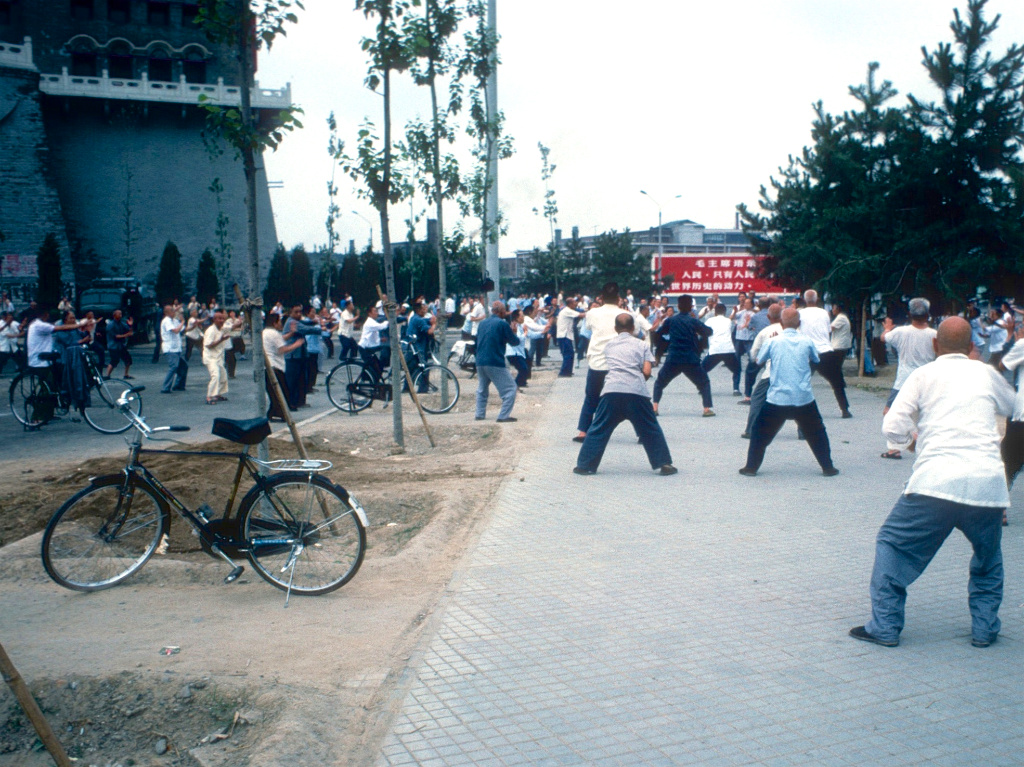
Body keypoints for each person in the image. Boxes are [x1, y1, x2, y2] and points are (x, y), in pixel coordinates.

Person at [850, 317, 1015, 648]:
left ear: (935, 345)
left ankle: (885, 626)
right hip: (986, 485)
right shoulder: (985, 373)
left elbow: (892, 425)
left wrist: (910, 438)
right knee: (988, 559)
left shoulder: (922, 374)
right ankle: (984, 629)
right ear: (973, 347)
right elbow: (1016, 407)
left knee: (893, 544)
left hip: (934, 484)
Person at [739, 308, 839, 477]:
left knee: (759, 432)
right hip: (803, 397)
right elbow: (815, 359)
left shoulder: (773, 342)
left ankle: (751, 467)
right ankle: (827, 467)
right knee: (817, 432)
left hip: (778, 398)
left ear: (781, 323)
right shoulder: (807, 341)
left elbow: (758, 360)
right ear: (799, 323)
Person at [574, 313, 676, 476]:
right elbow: (647, 371)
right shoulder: (642, 345)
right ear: (633, 328)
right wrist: (638, 380)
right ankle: (664, 464)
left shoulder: (609, 346)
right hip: (636, 392)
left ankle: (584, 465)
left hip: (612, 390)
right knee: (651, 428)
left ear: (615, 329)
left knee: (598, 427)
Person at [879, 298, 937, 459]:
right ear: (928, 315)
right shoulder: (935, 335)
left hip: (903, 380)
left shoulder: (901, 332)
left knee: (890, 412)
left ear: (910, 314)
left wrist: (887, 328)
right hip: (926, 379)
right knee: (925, 413)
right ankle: (926, 444)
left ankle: (895, 447)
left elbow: (884, 338)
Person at [574, 283, 627, 442]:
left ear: (601, 298)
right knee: (626, 400)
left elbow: (589, 328)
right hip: (618, 363)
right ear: (619, 298)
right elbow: (636, 332)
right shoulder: (625, 314)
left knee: (591, 397)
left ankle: (583, 431)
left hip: (597, 362)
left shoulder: (592, 313)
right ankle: (642, 433)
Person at [651, 295, 714, 417]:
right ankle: (707, 409)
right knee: (704, 382)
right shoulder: (693, 321)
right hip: (690, 358)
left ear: (678, 307)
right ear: (691, 307)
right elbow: (708, 332)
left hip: (673, 357)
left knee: (660, 381)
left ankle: (655, 408)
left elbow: (659, 334)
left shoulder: (671, 320)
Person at [797, 289, 850, 417]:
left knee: (801, 382)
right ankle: (844, 409)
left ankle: (800, 410)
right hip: (825, 350)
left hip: (807, 351)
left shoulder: (799, 313)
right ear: (816, 299)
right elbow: (828, 330)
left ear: (805, 300)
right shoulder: (824, 313)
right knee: (836, 381)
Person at [474, 301, 519, 423]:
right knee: (510, 388)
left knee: (482, 389)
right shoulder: (502, 323)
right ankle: (503, 416)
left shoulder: (482, 323)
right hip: (494, 361)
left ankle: (479, 414)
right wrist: (514, 331)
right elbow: (514, 342)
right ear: (501, 312)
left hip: (480, 360)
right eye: (505, 311)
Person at [262, 311, 304, 420]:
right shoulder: (274, 334)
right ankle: (279, 414)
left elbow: (280, 340)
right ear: (275, 323)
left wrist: (291, 333)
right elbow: (282, 349)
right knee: (282, 392)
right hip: (275, 367)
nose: (281, 324)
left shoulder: (265, 332)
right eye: (279, 321)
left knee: (275, 393)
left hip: (267, 367)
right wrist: (296, 345)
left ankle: (272, 413)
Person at [700, 303, 741, 394]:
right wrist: (734, 311)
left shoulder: (710, 321)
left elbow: (703, 330)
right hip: (728, 349)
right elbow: (730, 318)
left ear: (715, 311)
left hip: (715, 349)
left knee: (702, 369)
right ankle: (736, 389)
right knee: (737, 369)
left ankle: (703, 388)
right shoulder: (728, 321)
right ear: (725, 311)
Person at [202, 311, 230, 405]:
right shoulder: (210, 330)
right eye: (219, 318)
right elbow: (208, 345)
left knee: (223, 375)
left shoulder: (221, 329)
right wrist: (221, 340)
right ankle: (209, 396)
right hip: (210, 357)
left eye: (223, 318)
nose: (222, 320)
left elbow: (233, 327)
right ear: (214, 320)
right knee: (215, 376)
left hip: (218, 357)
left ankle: (217, 394)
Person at [159, 305, 188, 393]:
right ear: (167, 313)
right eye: (172, 311)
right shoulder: (166, 321)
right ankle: (165, 387)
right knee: (173, 367)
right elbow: (175, 330)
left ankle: (179, 385)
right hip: (170, 348)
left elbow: (182, 329)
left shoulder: (174, 320)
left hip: (176, 348)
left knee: (183, 366)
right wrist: (182, 321)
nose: (174, 312)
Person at [103, 309, 134, 379]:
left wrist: (130, 325)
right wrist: (126, 335)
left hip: (121, 345)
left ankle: (126, 374)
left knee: (128, 359)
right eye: (119, 314)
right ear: (114, 315)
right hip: (113, 346)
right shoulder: (111, 325)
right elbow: (116, 336)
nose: (120, 315)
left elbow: (129, 331)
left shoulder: (121, 323)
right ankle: (107, 375)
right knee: (114, 361)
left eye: (121, 314)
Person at [556, 298, 581, 377]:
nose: (576, 304)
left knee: (568, 353)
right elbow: (580, 314)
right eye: (574, 303)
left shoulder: (567, 310)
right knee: (568, 353)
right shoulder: (567, 311)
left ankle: (568, 371)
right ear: (570, 304)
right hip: (564, 335)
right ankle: (564, 372)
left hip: (565, 335)